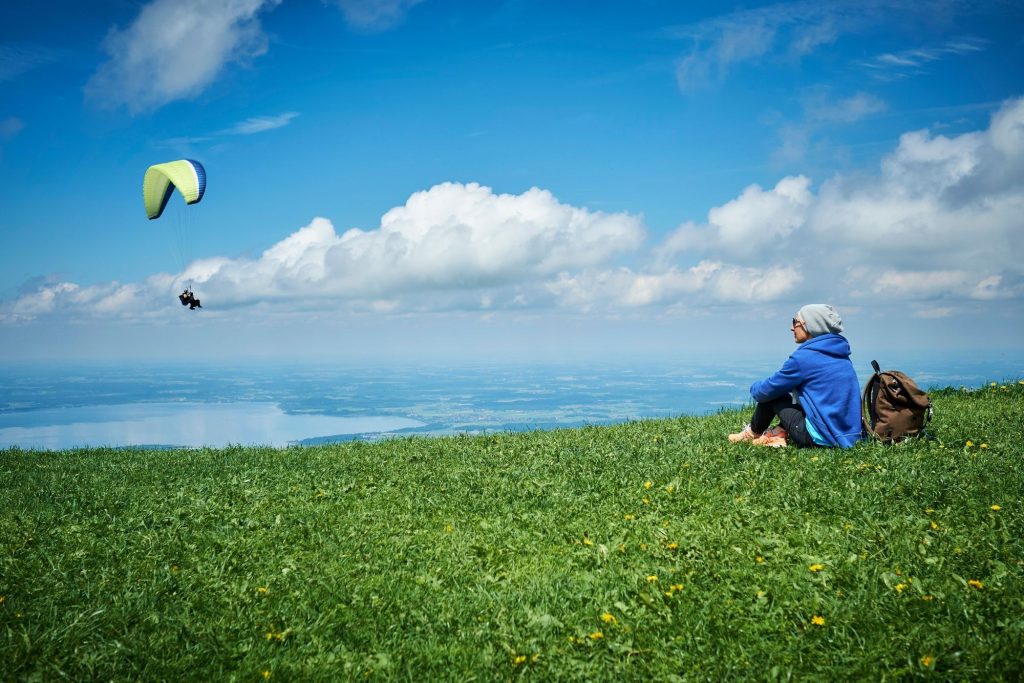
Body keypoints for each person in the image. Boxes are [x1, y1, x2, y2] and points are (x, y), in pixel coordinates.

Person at [728, 304, 862, 449]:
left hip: (820, 438)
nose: (792, 328)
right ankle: (777, 433)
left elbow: (766, 391)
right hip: (850, 435)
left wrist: (754, 387)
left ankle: (752, 432)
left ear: (811, 325)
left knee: (775, 396)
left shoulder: (804, 358)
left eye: (795, 322)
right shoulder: (840, 354)